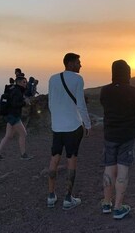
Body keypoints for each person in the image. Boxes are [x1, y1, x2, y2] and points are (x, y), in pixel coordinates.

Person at [99, 60, 135, 219]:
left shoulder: (105, 91)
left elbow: (103, 104)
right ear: (128, 73)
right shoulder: (134, 91)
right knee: (123, 170)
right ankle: (118, 208)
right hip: (127, 136)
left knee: (109, 168)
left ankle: (106, 203)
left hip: (109, 136)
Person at [47, 53, 91, 210]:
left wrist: (56, 120)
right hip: (73, 127)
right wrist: (87, 124)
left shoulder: (52, 79)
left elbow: (50, 103)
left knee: (54, 159)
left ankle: (51, 196)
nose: (81, 65)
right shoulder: (78, 79)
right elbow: (81, 105)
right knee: (71, 160)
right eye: (79, 62)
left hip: (57, 127)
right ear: (71, 63)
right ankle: (67, 198)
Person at [0, 75, 33, 160]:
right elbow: (15, 104)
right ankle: (23, 155)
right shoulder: (17, 91)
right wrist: (25, 103)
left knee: (8, 136)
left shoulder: (13, 89)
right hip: (13, 116)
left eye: (25, 82)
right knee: (23, 134)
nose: (25, 84)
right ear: (19, 82)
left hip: (9, 115)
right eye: (24, 82)